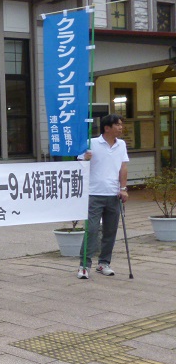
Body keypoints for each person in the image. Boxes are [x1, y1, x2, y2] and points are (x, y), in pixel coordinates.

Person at [77, 113, 129, 279]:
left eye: (121, 124)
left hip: (113, 194)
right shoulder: (91, 143)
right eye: (118, 125)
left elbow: (123, 168)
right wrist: (85, 158)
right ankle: (84, 265)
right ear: (107, 128)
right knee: (91, 230)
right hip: (94, 194)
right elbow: (79, 164)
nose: (121, 127)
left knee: (110, 230)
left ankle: (104, 262)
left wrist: (123, 188)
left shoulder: (121, 145)